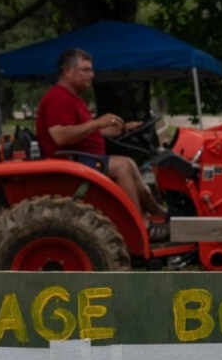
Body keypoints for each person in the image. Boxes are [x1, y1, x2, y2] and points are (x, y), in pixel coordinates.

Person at [35, 48, 169, 240]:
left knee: (130, 164)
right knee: (123, 166)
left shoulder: (73, 98)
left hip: (84, 158)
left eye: (91, 70)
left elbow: (84, 132)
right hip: (71, 163)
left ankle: (159, 213)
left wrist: (124, 128)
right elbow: (60, 136)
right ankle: (141, 226)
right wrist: (97, 123)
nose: (92, 75)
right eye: (85, 70)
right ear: (67, 71)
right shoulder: (58, 97)